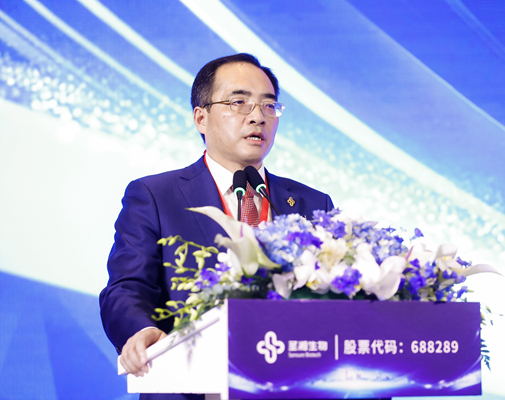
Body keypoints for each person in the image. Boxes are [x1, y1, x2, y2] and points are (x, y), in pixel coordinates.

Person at [99, 53, 334, 398]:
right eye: (239, 102)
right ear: (201, 118)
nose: (257, 116)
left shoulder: (313, 204)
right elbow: (126, 288)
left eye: (269, 106)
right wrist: (140, 330)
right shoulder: (155, 196)